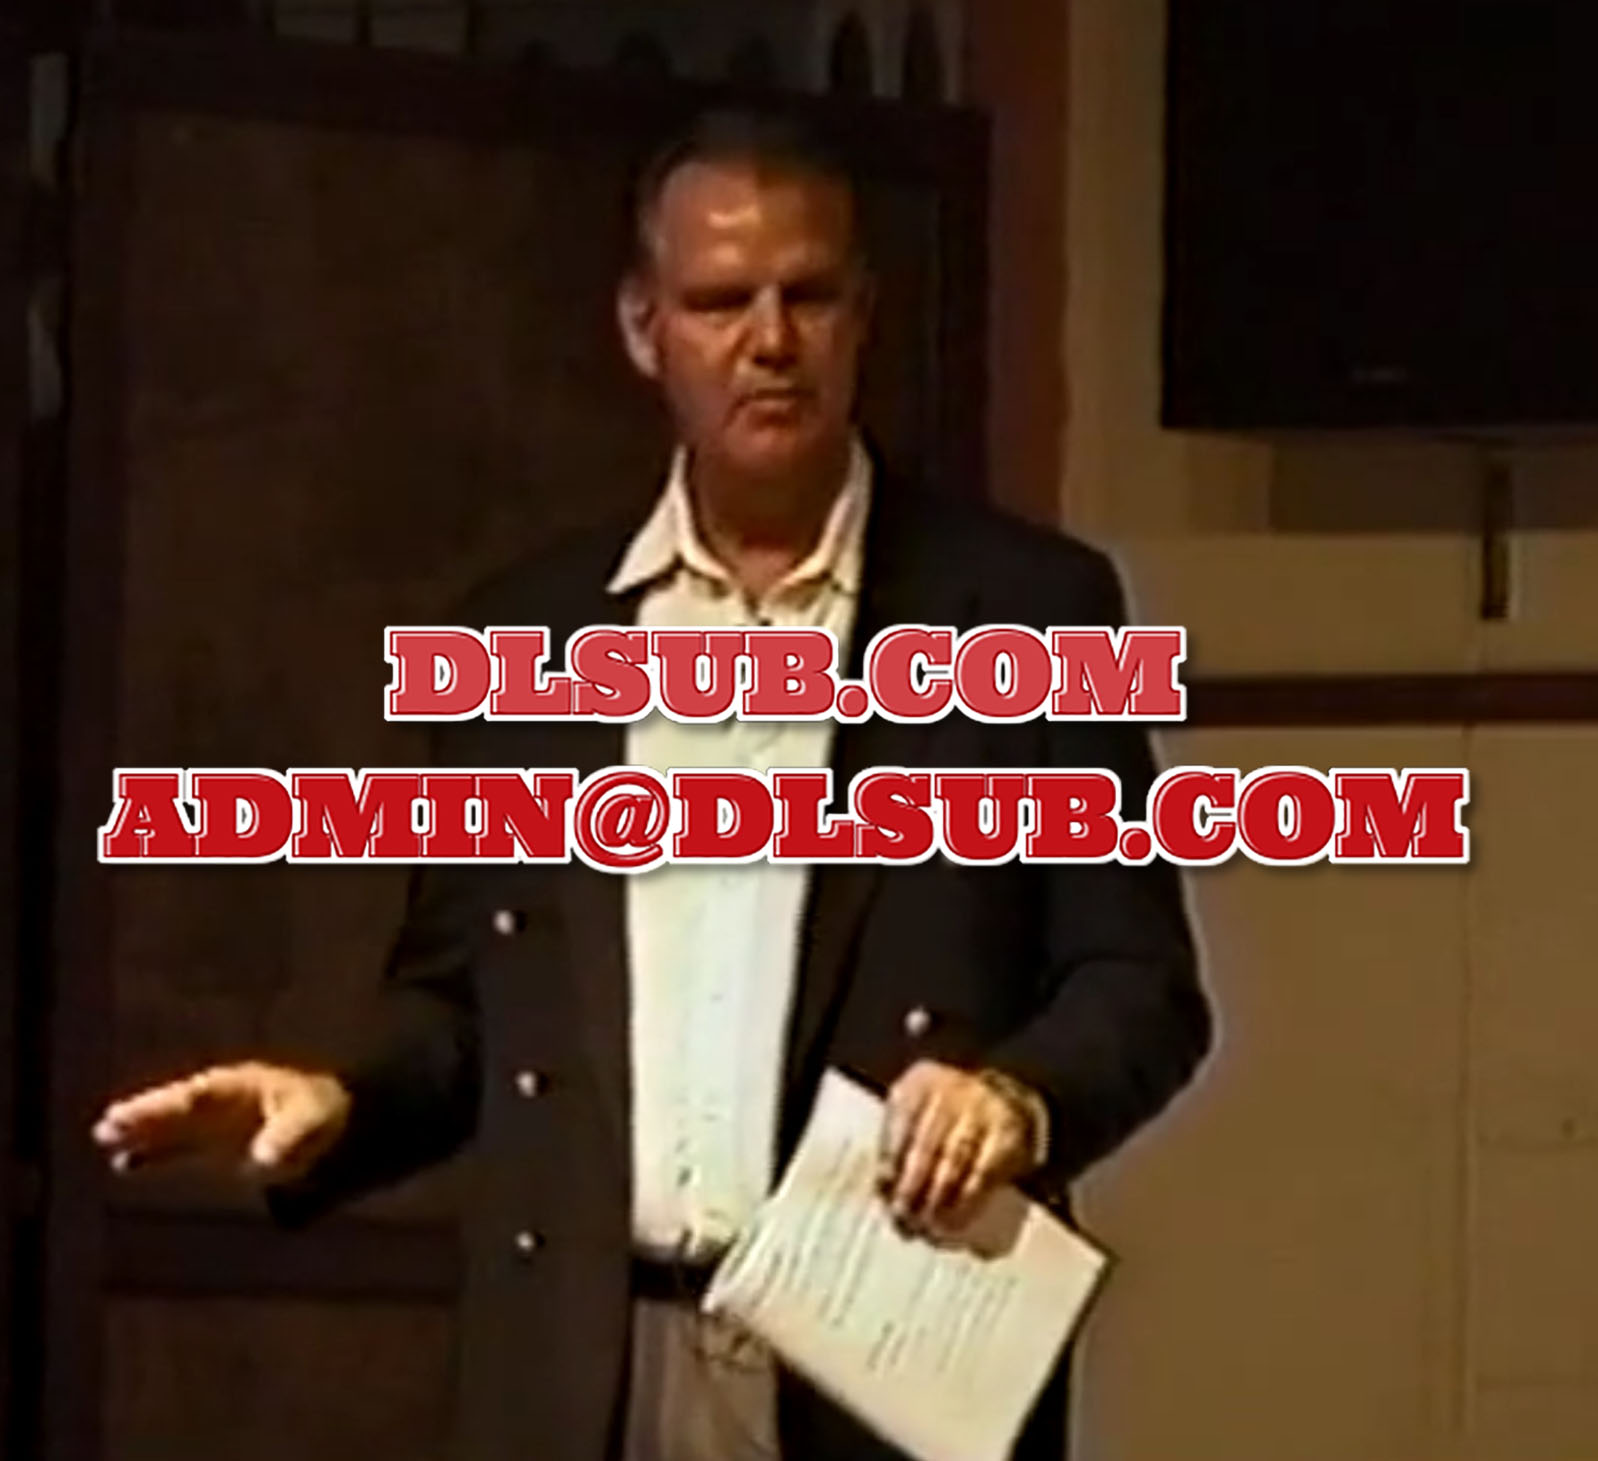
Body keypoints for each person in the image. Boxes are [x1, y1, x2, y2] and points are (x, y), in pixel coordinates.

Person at [94, 108, 1212, 1461]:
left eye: (808, 296)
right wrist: (345, 1098)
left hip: (878, 1365)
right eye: (720, 301)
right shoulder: (525, 641)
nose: (770, 341)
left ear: (863, 314)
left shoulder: (1027, 613)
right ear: (644, 329)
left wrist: (1018, 1100)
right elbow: (460, 1005)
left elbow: (1140, 987)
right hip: (586, 1367)